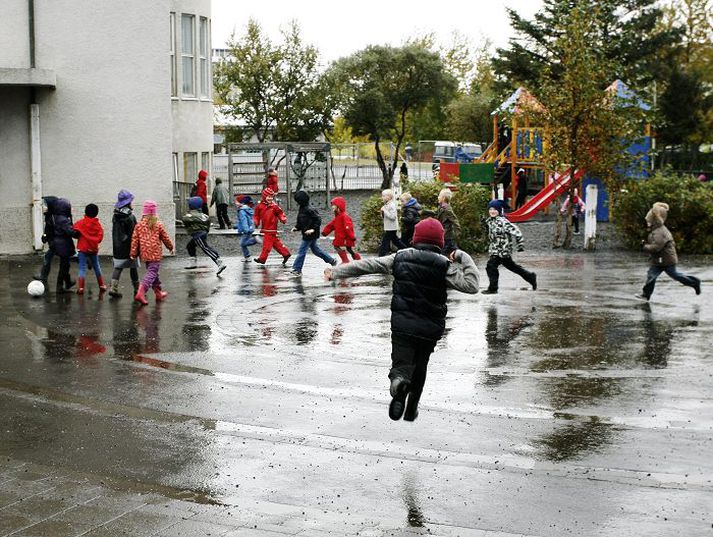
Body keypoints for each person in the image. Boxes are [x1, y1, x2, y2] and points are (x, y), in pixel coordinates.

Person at [324, 218, 479, 421]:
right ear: (440, 243)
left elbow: (369, 265)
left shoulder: (400, 258)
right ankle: (411, 407)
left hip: (402, 325)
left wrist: (336, 272)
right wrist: (461, 256)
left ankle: (398, 383)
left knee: (402, 364)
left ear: (415, 239)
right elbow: (472, 285)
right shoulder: (444, 266)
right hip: (430, 328)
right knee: (421, 365)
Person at [635, 202, 701, 301]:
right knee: (651, 276)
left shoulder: (660, 232)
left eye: (649, 220)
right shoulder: (655, 229)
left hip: (666, 260)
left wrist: (644, 246)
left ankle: (694, 282)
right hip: (658, 260)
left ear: (655, 220)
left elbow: (656, 247)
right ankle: (646, 295)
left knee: (676, 276)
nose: (647, 222)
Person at [481, 200, 537, 294]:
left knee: (491, 266)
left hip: (503, 250)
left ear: (499, 210)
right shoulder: (490, 221)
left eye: (494, 209)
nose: (492, 211)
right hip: (495, 249)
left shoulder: (503, 222)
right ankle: (530, 277)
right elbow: (488, 231)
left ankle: (493, 288)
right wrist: (483, 224)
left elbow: (517, 231)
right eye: (490, 209)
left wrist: (520, 245)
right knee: (512, 267)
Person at [130, 200, 174, 305]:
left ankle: (158, 292)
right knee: (152, 272)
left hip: (145, 254)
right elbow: (165, 238)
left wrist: (133, 254)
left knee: (153, 272)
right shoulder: (158, 224)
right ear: (154, 212)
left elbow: (135, 240)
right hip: (155, 253)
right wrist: (170, 247)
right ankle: (141, 292)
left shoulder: (139, 225)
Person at [290, 190, 337, 275]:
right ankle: (332, 260)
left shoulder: (309, 209)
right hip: (307, 234)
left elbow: (318, 220)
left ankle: (297, 269)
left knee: (302, 251)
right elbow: (301, 220)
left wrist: (313, 229)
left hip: (311, 234)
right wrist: (297, 227)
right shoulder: (302, 209)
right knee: (316, 250)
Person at [183, 196, 226, 275]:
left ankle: (219, 262)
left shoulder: (190, 215)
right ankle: (193, 263)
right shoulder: (204, 216)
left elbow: (185, 219)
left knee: (205, 248)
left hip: (197, 234)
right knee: (190, 246)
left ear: (191, 206)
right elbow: (208, 224)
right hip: (203, 233)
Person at [109, 189, 139, 298]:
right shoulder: (130, 217)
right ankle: (137, 289)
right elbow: (134, 233)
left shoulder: (115, 215)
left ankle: (113, 288)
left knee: (118, 267)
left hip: (118, 246)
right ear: (128, 203)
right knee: (133, 267)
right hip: (129, 246)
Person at [73, 203, 105, 295]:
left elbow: (73, 229)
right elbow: (100, 238)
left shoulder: (81, 223)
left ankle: (81, 288)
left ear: (85, 212)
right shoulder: (97, 225)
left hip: (83, 249)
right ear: (96, 213)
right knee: (97, 267)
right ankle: (102, 285)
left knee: (82, 268)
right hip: (93, 249)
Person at [253, 188, 290, 265]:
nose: (270, 198)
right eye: (268, 196)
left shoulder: (274, 206)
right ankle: (286, 253)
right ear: (264, 196)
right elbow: (256, 215)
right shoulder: (260, 206)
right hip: (266, 228)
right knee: (275, 243)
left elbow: (280, 213)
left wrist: (283, 218)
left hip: (271, 228)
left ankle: (262, 259)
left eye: (271, 197)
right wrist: (256, 222)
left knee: (267, 245)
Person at [322, 196, 361, 263]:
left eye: (333, 205)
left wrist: (351, 236)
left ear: (339, 206)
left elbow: (348, 227)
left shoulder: (344, 216)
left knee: (342, 247)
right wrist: (325, 232)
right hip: (341, 237)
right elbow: (331, 225)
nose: (332, 207)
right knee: (348, 249)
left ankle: (346, 261)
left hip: (345, 237)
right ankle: (356, 260)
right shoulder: (338, 217)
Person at [52, 198, 78, 295]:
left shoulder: (57, 217)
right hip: (64, 245)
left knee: (65, 264)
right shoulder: (63, 220)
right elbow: (70, 231)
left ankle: (67, 283)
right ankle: (59, 287)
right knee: (63, 266)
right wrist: (78, 233)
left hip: (59, 243)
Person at [33, 196, 59, 289]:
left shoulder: (53, 217)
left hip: (56, 242)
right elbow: (47, 229)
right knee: (48, 257)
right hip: (53, 242)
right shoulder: (49, 215)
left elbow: (54, 230)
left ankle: (43, 276)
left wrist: (49, 238)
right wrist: (44, 236)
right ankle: (43, 276)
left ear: (51, 206)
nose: (44, 207)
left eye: (46, 205)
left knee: (67, 257)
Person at [379, 189, 407, 256]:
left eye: (383, 196)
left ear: (388, 197)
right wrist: (382, 213)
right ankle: (406, 249)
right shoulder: (387, 204)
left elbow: (393, 217)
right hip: (389, 227)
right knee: (395, 241)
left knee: (385, 241)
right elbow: (386, 217)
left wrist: (384, 210)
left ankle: (381, 255)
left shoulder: (392, 205)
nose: (382, 197)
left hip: (391, 227)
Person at [436, 188, 461, 255]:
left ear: (443, 198)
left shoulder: (447, 209)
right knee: (452, 248)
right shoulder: (441, 207)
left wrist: (457, 232)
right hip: (443, 233)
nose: (438, 197)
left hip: (447, 234)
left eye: (439, 196)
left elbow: (455, 220)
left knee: (443, 251)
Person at [235, 195, 257, 261]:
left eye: (236, 202)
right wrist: (237, 226)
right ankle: (247, 257)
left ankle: (255, 240)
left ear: (242, 203)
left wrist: (245, 229)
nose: (235, 203)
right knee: (243, 244)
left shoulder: (242, 211)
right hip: (249, 228)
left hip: (246, 230)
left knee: (242, 243)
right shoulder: (247, 209)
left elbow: (244, 221)